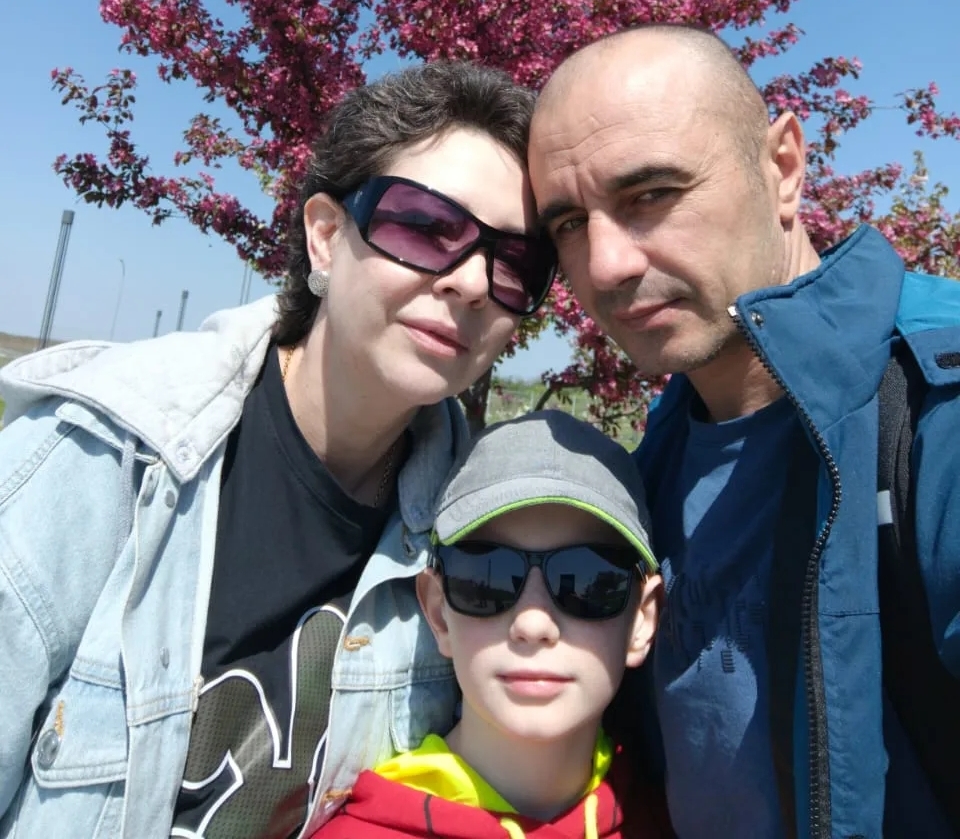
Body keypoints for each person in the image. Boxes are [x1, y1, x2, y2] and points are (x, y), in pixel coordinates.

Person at [0, 61, 558, 839]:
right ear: (325, 236)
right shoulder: (100, 457)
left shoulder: (480, 537)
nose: (471, 282)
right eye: (426, 226)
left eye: (515, 264)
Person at [527, 23, 960, 839]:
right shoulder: (653, 464)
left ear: (784, 167)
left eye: (651, 194)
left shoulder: (935, 414)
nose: (607, 264)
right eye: (570, 224)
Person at [312, 409, 671, 839]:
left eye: (586, 581)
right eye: (488, 577)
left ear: (641, 621)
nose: (533, 623)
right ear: (438, 613)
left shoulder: (679, 819)